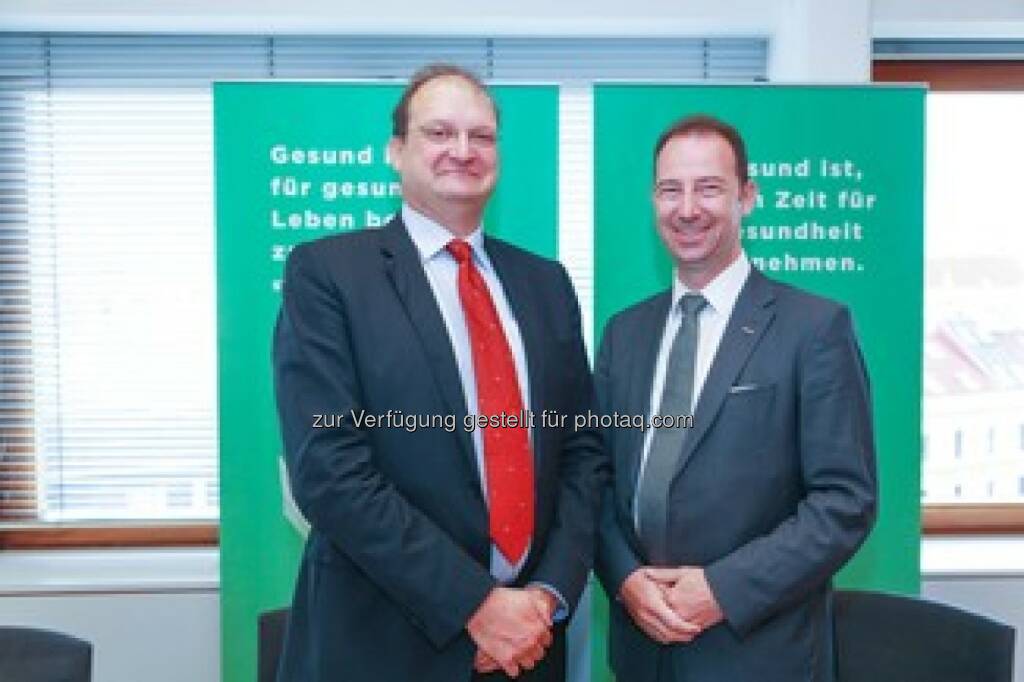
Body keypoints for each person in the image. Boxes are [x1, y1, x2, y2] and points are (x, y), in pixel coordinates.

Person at [272, 63, 605, 682]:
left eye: (481, 136)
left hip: (529, 648)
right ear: (396, 151)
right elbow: (329, 470)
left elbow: (582, 453)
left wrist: (546, 597)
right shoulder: (328, 275)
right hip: (384, 645)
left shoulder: (545, 284)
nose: (463, 151)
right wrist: (476, 607)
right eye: (439, 133)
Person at [594, 114, 877, 681]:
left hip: (757, 652)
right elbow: (596, 479)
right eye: (671, 189)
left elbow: (844, 501)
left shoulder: (814, 328)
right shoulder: (624, 333)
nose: (688, 208)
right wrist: (624, 578)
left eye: (709, 188)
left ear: (747, 197)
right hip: (641, 650)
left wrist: (721, 590)